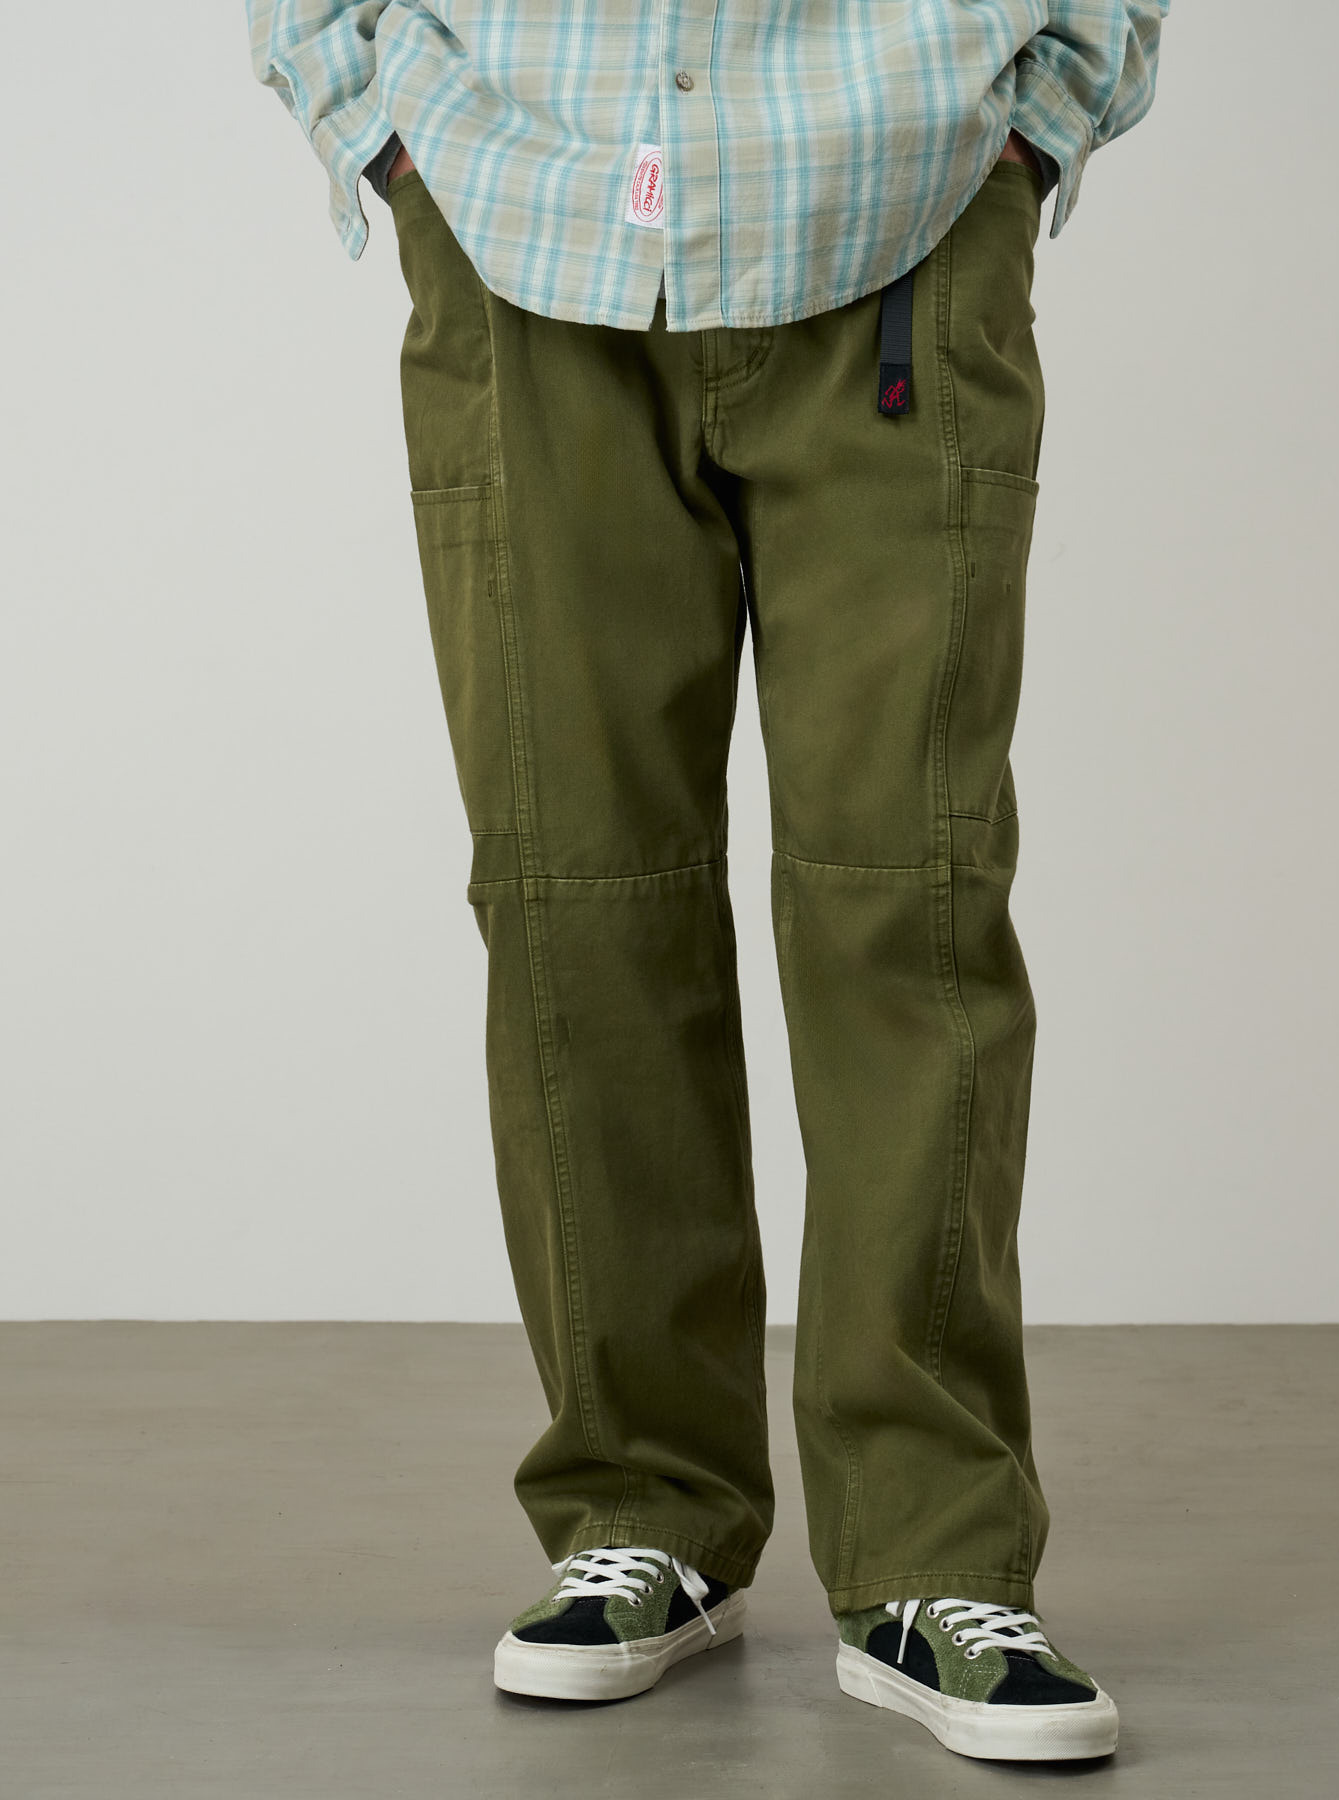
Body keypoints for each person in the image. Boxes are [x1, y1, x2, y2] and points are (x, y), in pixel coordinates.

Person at [246, 0, 1169, 1764]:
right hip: (524, 210)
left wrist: (1037, 119)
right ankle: (640, 1510)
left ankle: (935, 1557)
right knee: (575, 894)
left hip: (896, 199)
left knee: (909, 906)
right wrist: (380, 126)